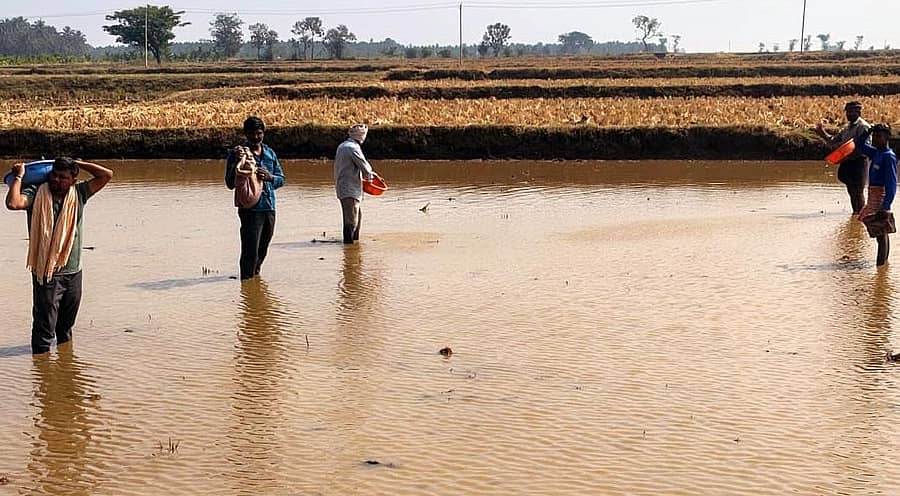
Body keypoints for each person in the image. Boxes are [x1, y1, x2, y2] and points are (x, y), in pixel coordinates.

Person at [5, 157, 113, 354]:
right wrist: (19, 177)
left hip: (73, 272)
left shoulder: (79, 193)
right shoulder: (37, 193)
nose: (57, 180)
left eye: (63, 177)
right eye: (54, 175)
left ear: (73, 180)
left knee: (66, 327)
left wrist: (80, 164)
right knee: (44, 327)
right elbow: (13, 203)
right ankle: (42, 373)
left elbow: (106, 175)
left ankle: (65, 368)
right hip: (47, 273)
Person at [225, 116, 285, 280]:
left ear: (263, 133)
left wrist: (270, 177)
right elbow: (230, 183)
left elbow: (281, 179)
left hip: (269, 206)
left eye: (259, 133)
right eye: (251, 134)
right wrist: (236, 163)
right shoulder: (238, 154)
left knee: (263, 248)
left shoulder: (270, 153)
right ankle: (247, 285)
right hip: (250, 209)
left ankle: (254, 282)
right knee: (250, 250)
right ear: (245, 134)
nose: (256, 137)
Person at [816, 101, 872, 214]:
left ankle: (861, 217)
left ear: (858, 112)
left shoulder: (863, 127)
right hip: (847, 161)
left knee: (858, 190)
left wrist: (846, 157)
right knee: (851, 189)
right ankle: (856, 215)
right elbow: (832, 141)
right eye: (847, 111)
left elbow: (864, 148)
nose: (848, 114)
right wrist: (821, 132)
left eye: (851, 111)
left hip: (859, 162)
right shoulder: (847, 128)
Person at [855, 124, 897, 266]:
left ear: (887, 138)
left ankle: (880, 267)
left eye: (879, 137)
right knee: (880, 232)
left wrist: (885, 206)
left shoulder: (888, 156)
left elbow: (891, 184)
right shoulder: (876, 153)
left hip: (880, 195)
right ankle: (883, 265)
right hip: (873, 194)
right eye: (875, 136)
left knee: (881, 232)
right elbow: (859, 144)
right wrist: (868, 131)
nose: (875, 140)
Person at [334, 124, 380, 244]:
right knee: (351, 221)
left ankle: (354, 246)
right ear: (361, 136)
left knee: (356, 217)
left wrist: (369, 175)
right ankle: (349, 250)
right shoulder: (352, 148)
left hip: (344, 187)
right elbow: (364, 166)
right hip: (350, 190)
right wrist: (371, 177)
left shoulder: (343, 146)